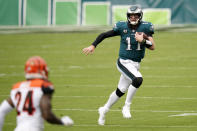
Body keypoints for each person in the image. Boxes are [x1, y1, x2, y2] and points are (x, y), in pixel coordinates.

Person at [83, 5, 155, 125]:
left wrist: (143, 40)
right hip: (124, 62)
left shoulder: (146, 27)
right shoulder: (122, 26)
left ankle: (104, 109)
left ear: (140, 16)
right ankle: (126, 106)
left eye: (135, 15)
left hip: (136, 63)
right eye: (131, 15)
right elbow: (104, 35)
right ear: (128, 16)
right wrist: (93, 45)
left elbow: (152, 46)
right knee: (137, 80)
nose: (133, 17)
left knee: (120, 90)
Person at [0, 56, 74, 131]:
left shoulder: (17, 87)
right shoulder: (43, 86)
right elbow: (47, 115)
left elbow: (1, 110)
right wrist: (62, 121)